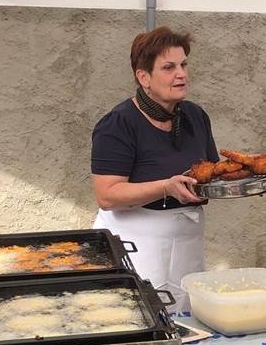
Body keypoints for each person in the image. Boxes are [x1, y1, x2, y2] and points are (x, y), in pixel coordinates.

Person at [91, 27, 218, 310]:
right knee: (140, 317)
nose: (181, 74)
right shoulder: (118, 123)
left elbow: (210, 172)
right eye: (169, 67)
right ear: (144, 77)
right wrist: (165, 187)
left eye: (184, 65)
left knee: (189, 324)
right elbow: (107, 195)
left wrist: (244, 176)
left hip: (188, 242)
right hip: (136, 243)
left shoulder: (196, 116)